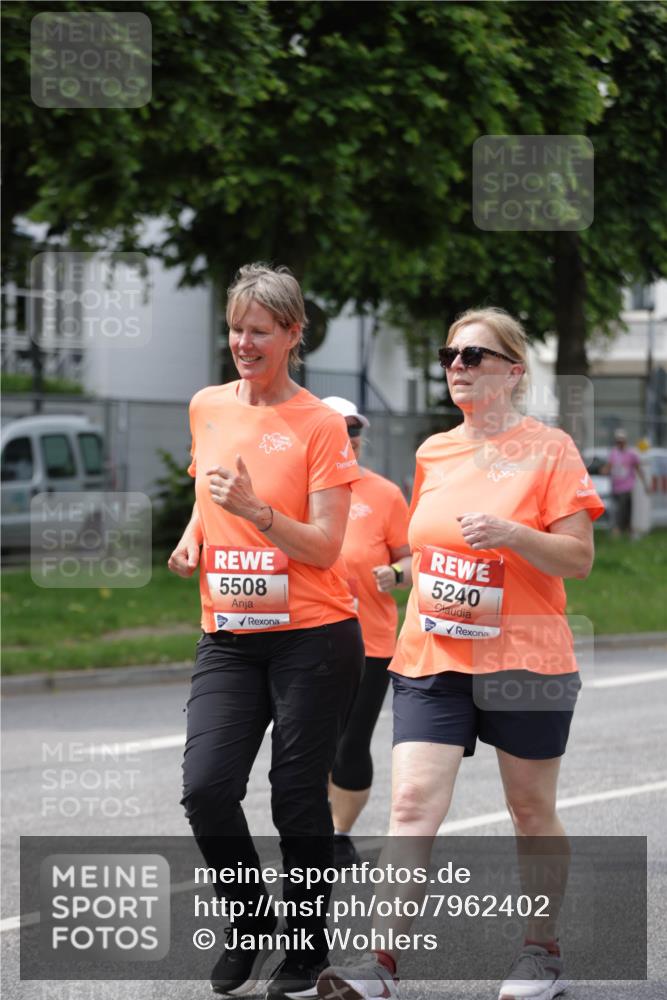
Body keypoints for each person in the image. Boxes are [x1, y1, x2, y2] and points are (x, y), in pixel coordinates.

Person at [317, 307, 604, 1000]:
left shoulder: (550, 450)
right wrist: (402, 572)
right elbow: (435, 549)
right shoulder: (434, 451)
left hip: (525, 660)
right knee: (412, 802)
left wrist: (511, 532)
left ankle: (540, 951)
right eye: (449, 354)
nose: (457, 367)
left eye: (473, 356)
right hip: (431, 655)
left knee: (529, 810)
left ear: (513, 370)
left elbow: (578, 559)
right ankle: (379, 965)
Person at [169, 263, 364, 1000]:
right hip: (227, 630)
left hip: (311, 634)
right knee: (206, 788)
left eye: (258, 331)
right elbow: (206, 491)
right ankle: (250, 922)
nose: (243, 343)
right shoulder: (207, 405)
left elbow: (323, 546)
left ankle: (306, 951)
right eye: (234, 329)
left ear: (292, 334)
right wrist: (195, 535)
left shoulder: (317, 424)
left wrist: (255, 513)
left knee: (295, 798)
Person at [321, 397, 411, 867]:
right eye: (338, 431)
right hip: (305, 636)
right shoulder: (294, 490)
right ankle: (309, 826)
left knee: (351, 740)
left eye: (354, 432)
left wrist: (395, 575)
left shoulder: (383, 493)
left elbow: (415, 560)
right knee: (307, 738)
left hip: (371, 641)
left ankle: (339, 833)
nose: (349, 439)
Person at [602, 428, 651, 537]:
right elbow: (609, 466)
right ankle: (627, 529)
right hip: (616, 486)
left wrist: (645, 484)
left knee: (622, 508)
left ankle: (618, 529)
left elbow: (638, 469)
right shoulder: (613, 453)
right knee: (624, 509)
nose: (620, 443)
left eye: (621, 441)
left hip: (627, 486)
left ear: (625, 441)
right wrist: (603, 470)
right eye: (618, 441)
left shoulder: (631, 454)